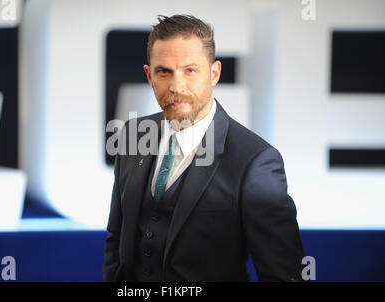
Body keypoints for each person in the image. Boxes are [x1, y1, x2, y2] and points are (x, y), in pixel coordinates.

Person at [103, 14, 305, 282]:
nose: (177, 86)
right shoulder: (132, 134)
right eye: (164, 71)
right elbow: (117, 239)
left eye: (190, 70)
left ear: (214, 73)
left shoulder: (255, 162)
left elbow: (286, 275)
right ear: (149, 76)